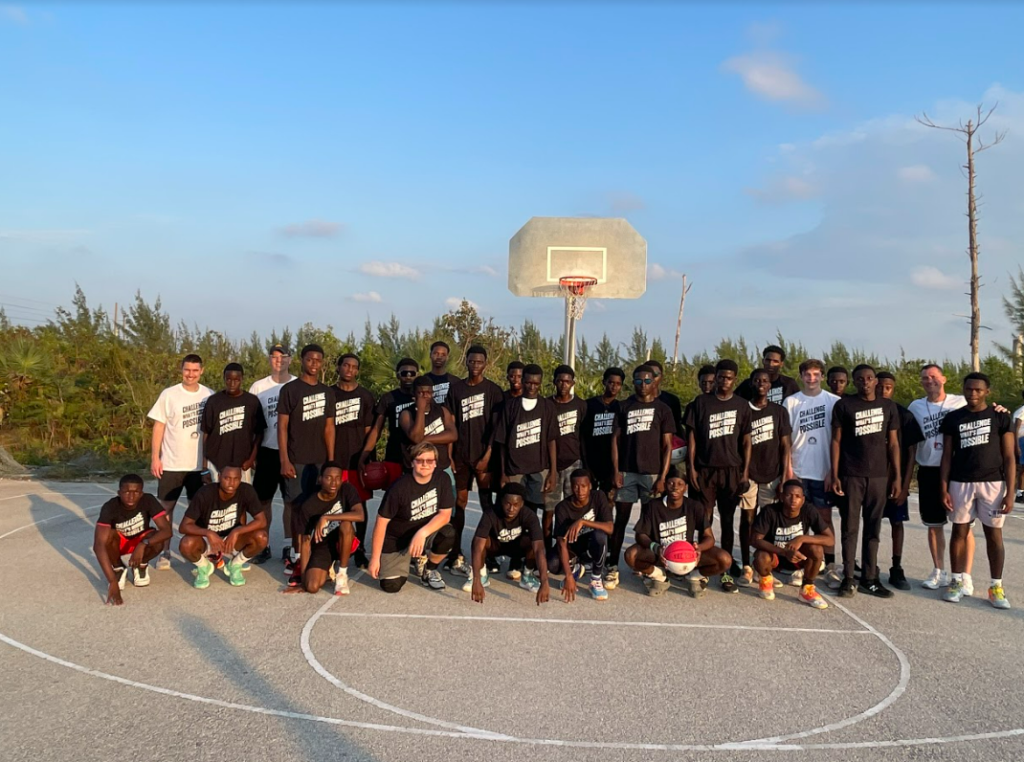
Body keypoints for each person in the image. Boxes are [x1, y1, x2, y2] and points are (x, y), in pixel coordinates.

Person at [940, 373, 1016, 608]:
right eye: (969, 389)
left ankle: (996, 586)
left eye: (978, 390)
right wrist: (943, 487)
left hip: (993, 483)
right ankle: (956, 581)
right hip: (960, 482)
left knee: (994, 535)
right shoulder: (953, 418)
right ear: (963, 389)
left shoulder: (1001, 417)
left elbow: (1010, 457)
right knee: (959, 532)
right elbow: (946, 456)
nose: (973, 394)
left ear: (987, 392)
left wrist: (1010, 491)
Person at [830, 364, 900, 599]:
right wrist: (835, 473)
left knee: (873, 529)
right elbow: (836, 441)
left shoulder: (887, 406)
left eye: (869, 378)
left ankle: (869, 579)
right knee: (850, 527)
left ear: (875, 381)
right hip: (852, 475)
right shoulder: (844, 405)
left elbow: (893, 443)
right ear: (854, 381)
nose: (866, 382)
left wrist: (897, 477)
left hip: (879, 476)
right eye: (860, 379)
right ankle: (848, 577)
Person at [684, 359, 752, 591]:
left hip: (731, 471)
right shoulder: (701, 403)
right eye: (720, 377)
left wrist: (744, 473)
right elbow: (691, 438)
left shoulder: (742, 405)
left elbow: (746, 440)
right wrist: (691, 467)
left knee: (727, 519)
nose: (724, 381)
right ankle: (697, 562)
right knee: (703, 519)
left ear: (735, 379)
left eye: (728, 377)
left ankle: (726, 569)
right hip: (704, 469)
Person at [907, 364, 975, 591]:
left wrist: (1000, 409)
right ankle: (939, 571)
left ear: (944, 379)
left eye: (934, 376)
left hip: (957, 470)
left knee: (963, 525)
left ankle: (965, 575)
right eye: (925, 378)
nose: (929, 381)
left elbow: (983, 411)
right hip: (928, 469)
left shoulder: (960, 402)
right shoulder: (915, 406)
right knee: (934, 525)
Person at [609, 364, 675, 590]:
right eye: (638, 381)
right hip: (627, 472)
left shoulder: (663, 409)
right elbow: (615, 441)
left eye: (647, 381)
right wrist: (617, 470)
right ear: (633, 382)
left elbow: (668, 447)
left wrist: (663, 477)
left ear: (655, 381)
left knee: (652, 525)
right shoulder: (624, 406)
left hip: (652, 474)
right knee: (621, 521)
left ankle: (650, 566)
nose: (643, 385)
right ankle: (611, 565)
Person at [147, 353, 214, 570]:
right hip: (172, 464)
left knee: (200, 511)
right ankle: (165, 551)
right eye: (187, 370)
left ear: (201, 371)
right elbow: (159, 427)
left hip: (198, 467)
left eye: (195, 370)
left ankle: (200, 551)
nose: (191, 374)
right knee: (166, 509)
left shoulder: (209, 395)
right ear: (181, 370)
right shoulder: (169, 394)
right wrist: (155, 458)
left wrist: (210, 464)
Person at [624, 467, 731, 598]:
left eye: (680, 484)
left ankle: (694, 577)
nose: (675, 488)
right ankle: (659, 576)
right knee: (631, 555)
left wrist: (698, 549)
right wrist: (656, 547)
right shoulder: (653, 506)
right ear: (664, 485)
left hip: (687, 556)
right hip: (662, 554)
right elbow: (640, 534)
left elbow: (709, 537)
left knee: (725, 560)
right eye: (671, 483)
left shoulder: (695, 506)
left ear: (685, 487)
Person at [277, 344, 336, 582]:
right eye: (310, 359)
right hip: (296, 458)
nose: (314, 363)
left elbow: (329, 428)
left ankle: (316, 550)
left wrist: (331, 461)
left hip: (320, 460)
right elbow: (281, 426)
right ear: (302, 360)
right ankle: (295, 552)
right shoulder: (290, 390)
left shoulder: (327, 392)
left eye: (318, 360)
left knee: (319, 505)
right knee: (295, 506)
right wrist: (284, 459)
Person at [783, 359, 842, 586]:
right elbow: (786, 439)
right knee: (799, 521)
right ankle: (804, 564)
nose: (811, 378)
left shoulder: (833, 401)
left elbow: (837, 439)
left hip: (823, 470)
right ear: (801, 376)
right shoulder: (791, 402)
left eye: (816, 374)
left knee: (824, 518)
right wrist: (788, 468)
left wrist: (832, 470)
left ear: (822, 377)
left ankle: (830, 564)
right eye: (807, 374)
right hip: (797, 470)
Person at [368, 442, 457, 593]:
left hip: (423, 533)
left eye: (429, 461)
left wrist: (421, 534)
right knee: (391, 586)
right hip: (397, 538)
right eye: (420, 460)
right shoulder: (399, 488)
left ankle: (428, 569)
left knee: (447, 534)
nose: (425, 464)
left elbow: (445, 515)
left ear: (435, 463)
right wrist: (375, 558)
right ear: (412, 463)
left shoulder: (442, 479)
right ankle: (409, 557)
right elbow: (381, 523)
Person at [736, 368, 792, 587]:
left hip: (773, 474)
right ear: (752, 383)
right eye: (757, 380)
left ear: (770, 385)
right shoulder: (743, 409)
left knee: (767, 524)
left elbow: (786, 445)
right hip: (748, 474)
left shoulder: (779, 411)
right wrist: (742, 473)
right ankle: (747, 566)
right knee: (747, 520)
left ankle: (763, 567)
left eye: (765, 381)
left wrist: (785, 475)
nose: (761, 383)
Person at [178, 466, 269, 589]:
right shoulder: (205, 493)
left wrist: (237, 531)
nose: (231, 483)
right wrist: (208, 533)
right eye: (227, 478)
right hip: (208, 539)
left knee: (262, 537)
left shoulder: (246, 490)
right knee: (186, 544)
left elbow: (262, 521)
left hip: (232, 538)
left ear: (241, 479)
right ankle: (204, 566)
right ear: (219, 477)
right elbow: (184, 526)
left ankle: (235, 565)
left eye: (236, 479)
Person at [284, 462, 365, 596]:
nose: (334, 482)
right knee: (312, 587)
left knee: (346, 524)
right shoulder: (309, 505)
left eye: (337, 478)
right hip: (322, 546)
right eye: (329, 478)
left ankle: (342, 575)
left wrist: (327, 517)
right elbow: (304, 542)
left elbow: (360, 515)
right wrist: (303, 582)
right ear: (320, 479)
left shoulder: (347, 489)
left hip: (343, 541)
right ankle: (327, 568)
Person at [749, 480, 833, 609]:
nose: (794, 500)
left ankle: (807, 589)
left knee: (817, 550)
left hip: (797, 557)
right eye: (789, 495)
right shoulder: (770, 511)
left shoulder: (808, 510)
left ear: (803, 499)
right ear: (782, 497)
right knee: (761, 556)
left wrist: (802, 538)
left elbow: (830, 539)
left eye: (798, 496)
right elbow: (755, 540)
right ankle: (765, 579)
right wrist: (783, 552)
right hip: (775, 557)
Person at [248, 343, 296, 564]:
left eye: (283, 356)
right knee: (263, 501)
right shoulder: (258, 387)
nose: (279, 360)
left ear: (290, 359)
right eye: (274, 356)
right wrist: (253, 453)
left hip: (292, 452)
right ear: (269, 359)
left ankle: (288, 545)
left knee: (290, 501)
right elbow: (251, 424)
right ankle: (263, 543)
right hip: (267, 451)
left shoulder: (297, 385)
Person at [93, 474, 173, 605]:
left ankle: (141, 565)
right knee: (108, 535)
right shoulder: (110, 506)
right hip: (120, 544)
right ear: (119, 492)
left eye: (136, 492)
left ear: (141, 493)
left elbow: (167, 530)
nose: (131, 496)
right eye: (126, 492)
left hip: (140, 541)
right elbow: (98, 545)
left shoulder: (148, 500)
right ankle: (118, 567)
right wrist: (112, 581)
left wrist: (143, 544)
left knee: (157, 537)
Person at [876, 371, 924, 590]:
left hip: (895, 481)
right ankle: (871, 566)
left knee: (897, 523)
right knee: (871, 523)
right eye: (880, 386)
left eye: (888, 387)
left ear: (893, 389)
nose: (883, 390)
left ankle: (896, 568)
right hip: (873, 479)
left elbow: (911, 452)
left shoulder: (903, 414)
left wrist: (904, 485)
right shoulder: (867, 411)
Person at [465, 482, 551, 603]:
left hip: (517, 547)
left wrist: (545, 582)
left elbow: (539, 549)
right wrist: (476, 580)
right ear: (501, 501)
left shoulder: (529, 516)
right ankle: (482, 573)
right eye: (508, 503)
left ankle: (527, 575)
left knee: (535, 541)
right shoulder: (491, 513)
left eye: (516, 504)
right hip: (495, 546)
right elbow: (477, 546)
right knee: (479, 541)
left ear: (522, 504)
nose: (511, 508)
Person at [494, 363, 557, 520]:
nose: (532, 387)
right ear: (523, 381)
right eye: (528, 382)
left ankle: (529, 543)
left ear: (540, 384)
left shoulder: (547, 406)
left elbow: (552, 440)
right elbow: (501, 442)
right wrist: (502, 472)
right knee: (511, 511)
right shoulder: (510, 406)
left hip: (538, 468)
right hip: (514, 469)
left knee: (531, 511)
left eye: (536, 383)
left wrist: (553, 472)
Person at [331, 353, 376, 568]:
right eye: (345, 365)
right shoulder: (329, 394)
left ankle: (359, 550)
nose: (349, 369)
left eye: (354, 366)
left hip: (357, 460)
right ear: (338, 367)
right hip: (334, 461)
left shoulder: (366, 396)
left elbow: (370, 430)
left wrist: (367, 458)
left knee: (360, 504)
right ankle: (332, 547)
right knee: (332, 503)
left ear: (357, 370)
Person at [549, 469, 615, 601]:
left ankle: (596, 579)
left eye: (584, 486)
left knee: (601, 536)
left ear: (590, 486)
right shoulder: (562, 507)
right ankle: (577, 569)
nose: (580, 490)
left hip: (591, 543)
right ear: (571, 487)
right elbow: (561, 543)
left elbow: (610, 528)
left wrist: (583, 522)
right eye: (576, 486)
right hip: (573, 547)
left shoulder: (598, 496)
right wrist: (568, 575)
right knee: (553, 564)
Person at [201, 363, 266, 478]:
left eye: (236, 380)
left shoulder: (252, 401)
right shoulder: (214, 401)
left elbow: (259, 433)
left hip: (242, 463)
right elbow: (206, 433)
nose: (232, 383)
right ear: (224, 379)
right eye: (228, 379)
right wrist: (204, 466)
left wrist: (251, 459)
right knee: (215, 495)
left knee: (241, 495)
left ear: (242, 379)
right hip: (215, 462)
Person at [361, 358, 418, 487]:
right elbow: (376, 429)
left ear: (417, 375)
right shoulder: (388, 398)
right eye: (404, 373)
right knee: (394, 495)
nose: (408, 377)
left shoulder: (422, 396)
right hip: (394, 453)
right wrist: (365, 454)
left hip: (417, 454)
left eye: (412, 373)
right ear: (398, 375)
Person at [546, 365, 588, 538]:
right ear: (554, 382)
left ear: (573, 383)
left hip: (574, 463)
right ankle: (548, 549)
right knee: (549, 510)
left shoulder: (581, 405)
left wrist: (585, 467)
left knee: (574, 509)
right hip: (550, 466)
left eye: (568, 381)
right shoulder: (546, 404)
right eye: (560, 381)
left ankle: (573, 549)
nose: (564, 384)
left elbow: (584, 437)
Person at [581, 367, 624, 497]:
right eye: (611, 382)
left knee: (608, 502)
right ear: (604, 382)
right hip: (591, 460)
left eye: (618, 384)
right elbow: (582, 436)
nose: (614, 387)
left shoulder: (621, 407)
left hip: (611, 464)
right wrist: (585, 465)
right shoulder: (589, 405)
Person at [648, 359, 683, 434]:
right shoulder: (632, 402)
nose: (653, 378)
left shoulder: (672, 400)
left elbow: (677, 426)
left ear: (662, 376)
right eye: (649, 375)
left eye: (656, 375)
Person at [426, 341, 458, 406]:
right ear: (430, 355)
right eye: (436, 353)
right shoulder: (423, 380)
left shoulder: (455, 382)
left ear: (447, 357)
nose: (439, 357)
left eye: (443, 354)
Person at [1013, 391, 1024, 504]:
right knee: (1020, 469)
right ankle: (1020, 493)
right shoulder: (1021, 411)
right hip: (1021, 441)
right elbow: (1015, 429)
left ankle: (1021, 492)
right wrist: (1016, 446)